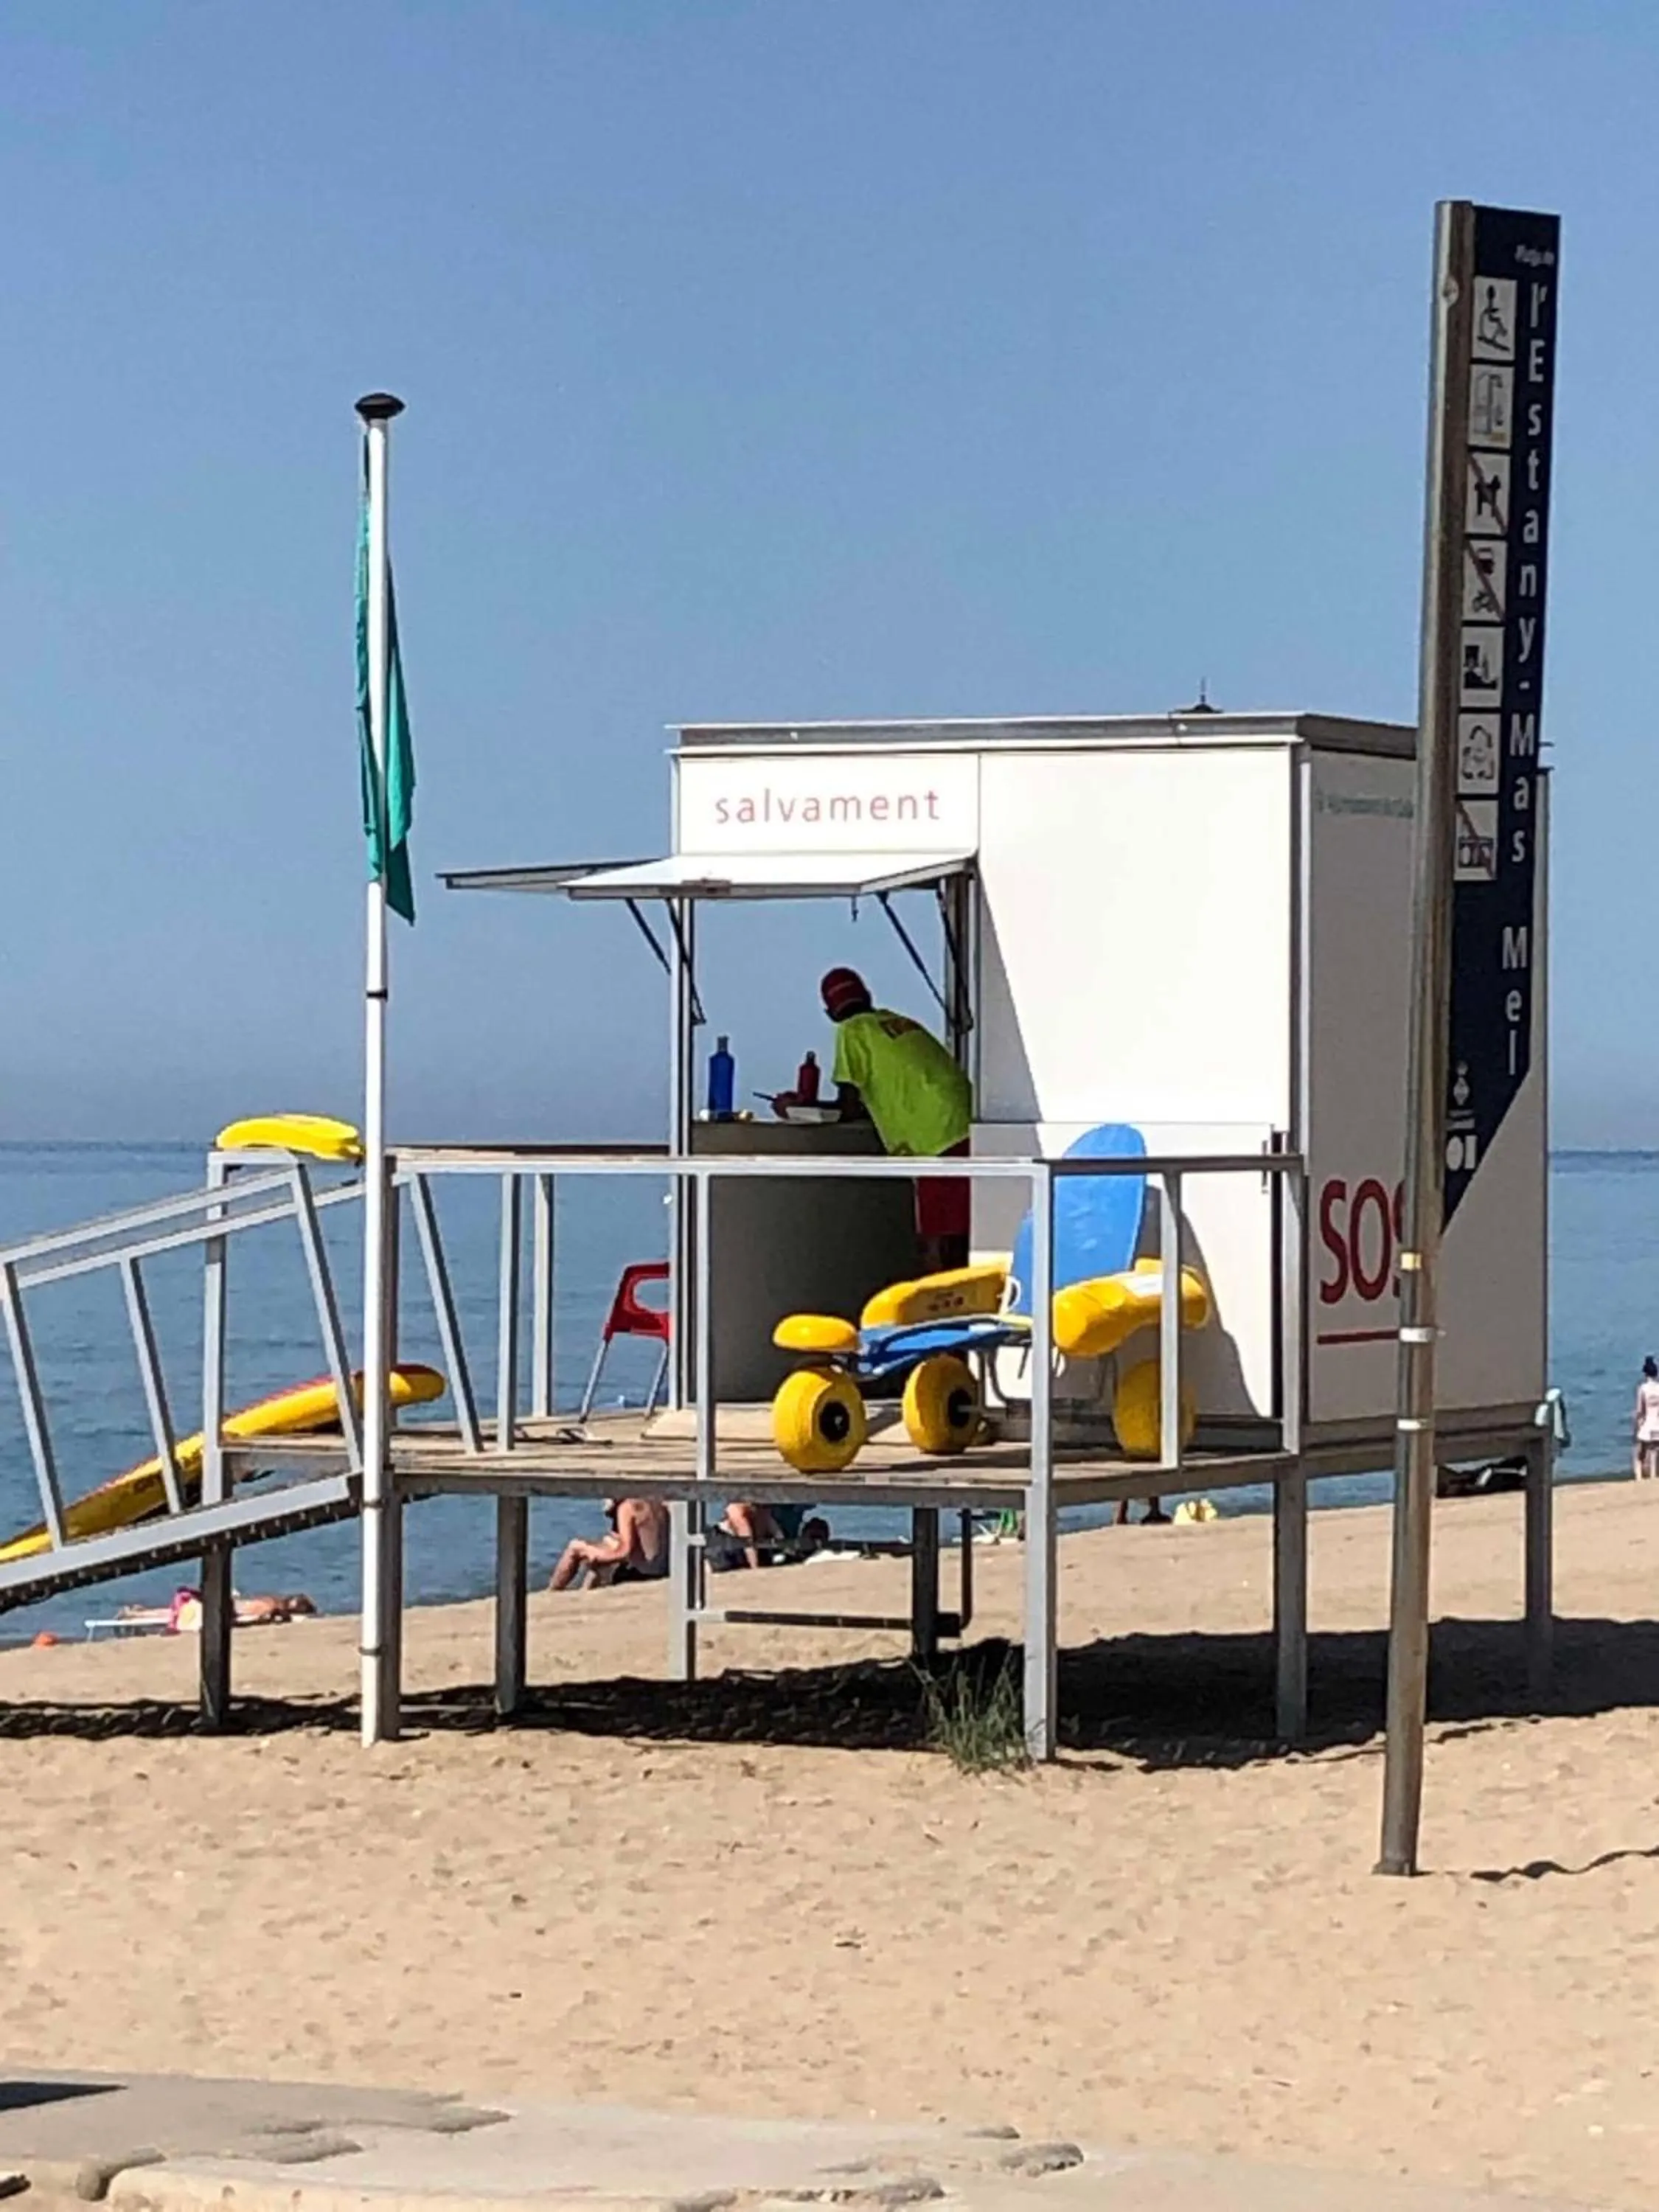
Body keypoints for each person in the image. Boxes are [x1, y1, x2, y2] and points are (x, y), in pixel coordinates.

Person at [819, 967, 973, 1270]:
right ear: (867, 995)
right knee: (968, 1229)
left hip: (936, 1135)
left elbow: (847, 1106)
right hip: (969, 1122)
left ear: (830, 1013)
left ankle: (943, 1313)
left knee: (938, 1238)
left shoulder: (851, 1030)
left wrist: (798, 1106)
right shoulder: (898, 1022)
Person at [550, 1497, 669, 1590]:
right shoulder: (658, 1503)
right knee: (608, 1543)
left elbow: (624, 1551)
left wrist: (593, 1554)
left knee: (575, 1547)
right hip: (662, 1570)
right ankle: (585, 1592)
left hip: (639, 1574)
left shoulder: (628, 1507)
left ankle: (553, 1591)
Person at [1633, 1358, 1659, 1481]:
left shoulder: (1643, 1388)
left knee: (1639, 1454)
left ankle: (1639, 1478)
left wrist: (1637, 1426)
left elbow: (1640, 1411)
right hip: (1657, 1424)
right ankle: (1653, 1477)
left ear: (1645, 1374)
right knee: (1654, 1453)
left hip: (1647, 1424)